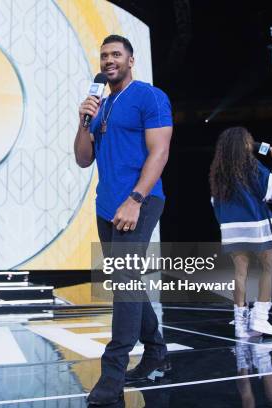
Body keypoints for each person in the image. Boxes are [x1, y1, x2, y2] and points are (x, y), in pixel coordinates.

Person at [74, 34, 173, 405]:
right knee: (123, 278)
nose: (109, 60)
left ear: (131, 60)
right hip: (107, 206)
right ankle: (156, 350)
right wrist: (84, 121)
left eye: (116, 54)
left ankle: (112, 374)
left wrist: (135, 199)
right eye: (104, 56)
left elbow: (159, 151)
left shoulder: (150, 96)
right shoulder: (98, 104)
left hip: (141, 201)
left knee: (124, 281)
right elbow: (83, 159)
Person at [209, 127, 272, 338]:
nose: (252, 143)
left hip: (232, 228)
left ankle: (240, 325)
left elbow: (214, 202)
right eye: (249, 140)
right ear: (244, 144)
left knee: (240, 273)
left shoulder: (220, 172)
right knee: (270, 266)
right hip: (255, 226)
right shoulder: (251, 166)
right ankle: (260, 319)